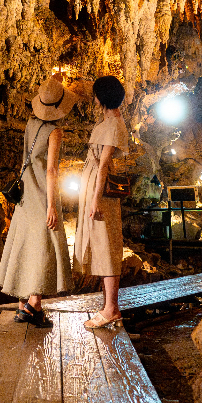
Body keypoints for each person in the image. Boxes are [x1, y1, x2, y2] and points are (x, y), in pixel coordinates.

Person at [0, 72, 78, 327]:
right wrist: (52, 205)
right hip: (42, 193)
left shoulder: (31, 124)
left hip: (25, 195)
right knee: (44, 246)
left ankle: (24, 305)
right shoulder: (55, 131)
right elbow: (51, 170)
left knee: (26, 245)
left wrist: (55, 80)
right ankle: (34, 305)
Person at [75, 74, 128, 330]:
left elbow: (104, 164)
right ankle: (108, 304)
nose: (93, 98)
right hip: (92, 186)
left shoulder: (114, 124)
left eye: (95, 94)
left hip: (100, 191)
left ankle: (111, 309)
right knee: (100, 242)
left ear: (101, 97)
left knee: (107, 244)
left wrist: (95, 200)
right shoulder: (108, 121)